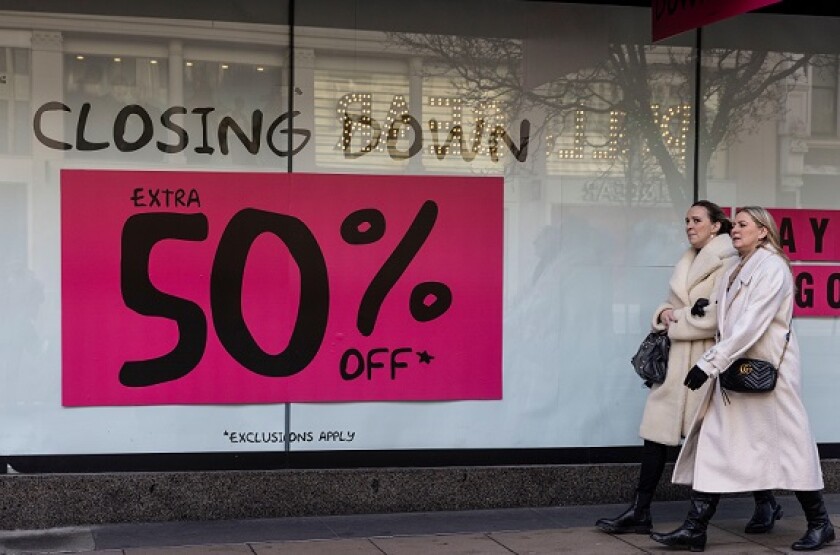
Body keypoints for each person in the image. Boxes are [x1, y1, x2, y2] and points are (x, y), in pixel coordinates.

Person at [651, 206, 835, 552]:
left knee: (791, 447)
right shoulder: (734, 267)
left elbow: (752, 323)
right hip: (735, 373)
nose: (734, 230)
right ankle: (695, 528)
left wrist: (709, 363)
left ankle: (821, 523)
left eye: (742, 225)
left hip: (768, 376)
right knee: (714, 442)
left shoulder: (773, 268)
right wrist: (677, 315)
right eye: (733, 225)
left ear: (763, 231)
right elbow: (719, 315)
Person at [598, 201, 765, 535]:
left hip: (706, 361)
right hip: (678, 361)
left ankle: (762, 503)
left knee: (719, 441)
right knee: (655, 436)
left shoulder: (730, 261)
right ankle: (640, 510)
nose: (689, 225)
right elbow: (672, 304)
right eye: (686, 220)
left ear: (716, 225)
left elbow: (719, 317)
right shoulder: (687, 259)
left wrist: (676, 320)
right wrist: (663, 313)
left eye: (697, 220)